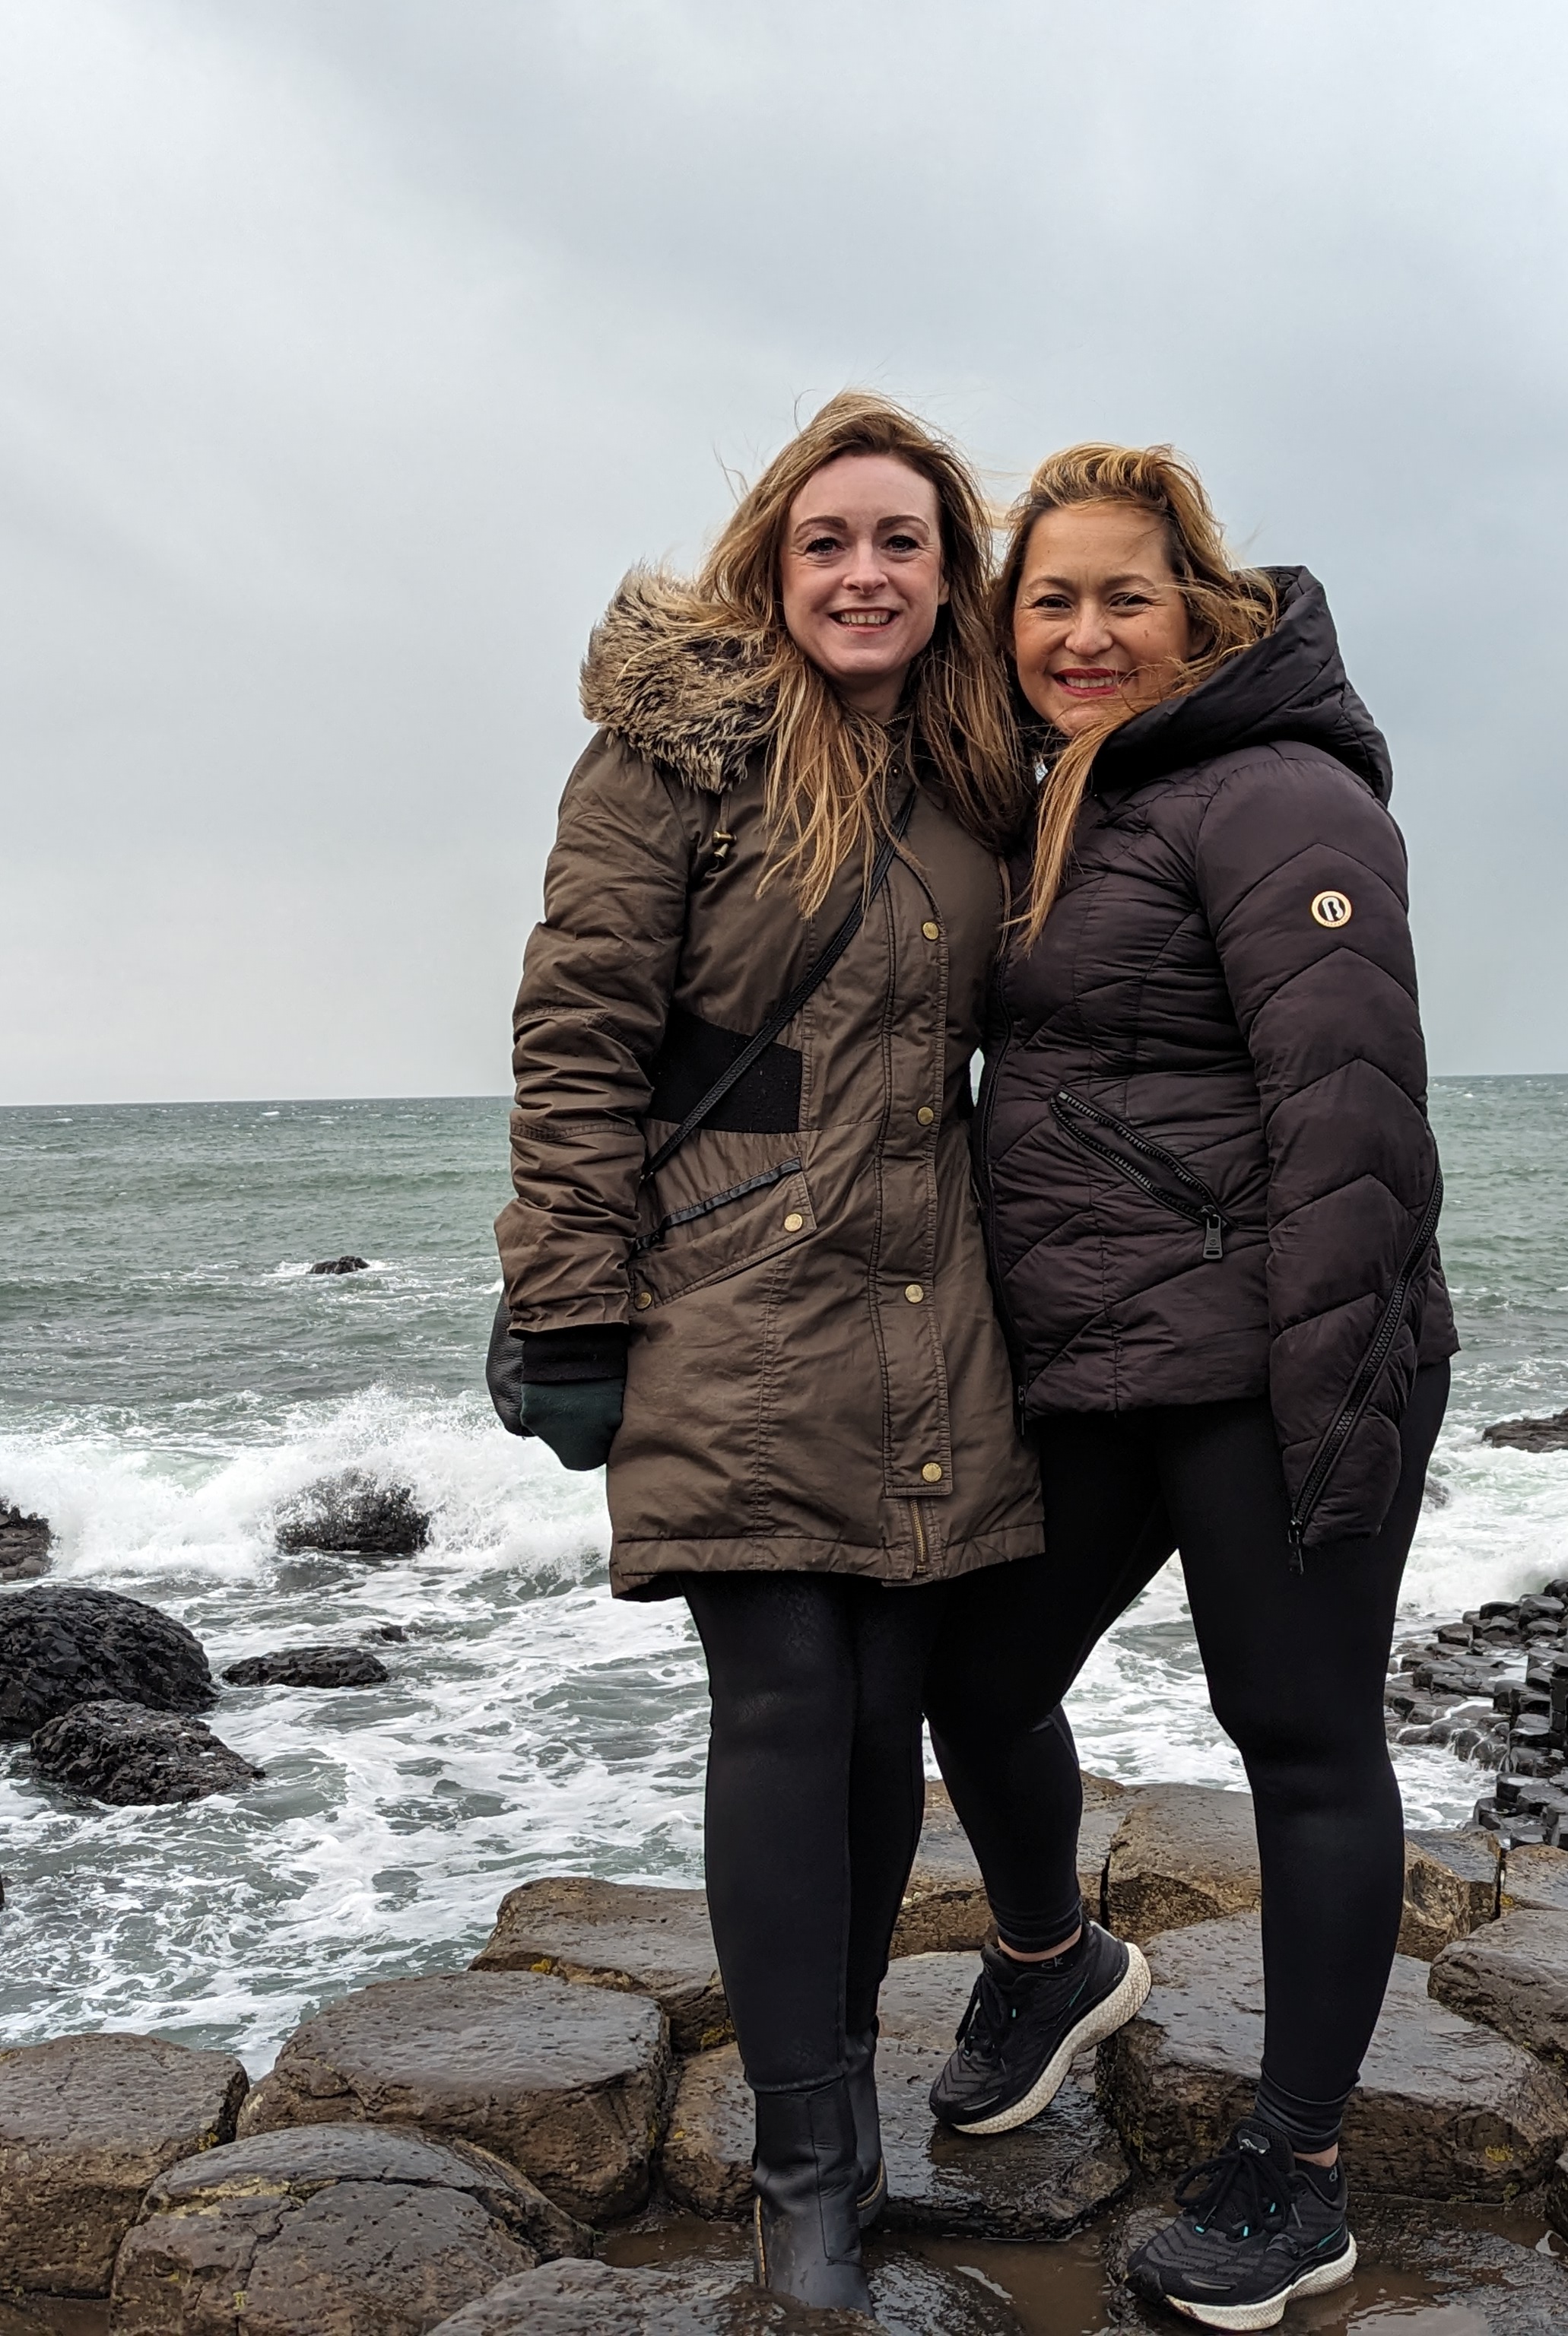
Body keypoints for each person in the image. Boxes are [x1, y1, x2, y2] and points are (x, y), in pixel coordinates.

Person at [495, 392, 1042, 2313]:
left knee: (888, 1725)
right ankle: (804, 2161)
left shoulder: (990, 769)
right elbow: (579, 1038)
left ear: (946, 573)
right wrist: (569, 1305)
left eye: (902, 543)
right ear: (773, 562)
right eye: (830, 542)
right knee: (784, 1708)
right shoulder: (677, 751)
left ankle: (858, 2104)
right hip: (730, 1283)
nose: (866, 573)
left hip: (931, 1293)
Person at [919, 444, 1456, 2331]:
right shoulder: (1058, 797)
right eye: (1048, 601)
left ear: (1198, 608)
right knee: (968, 1677)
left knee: (1301, 1739)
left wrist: (1338, 1390)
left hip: (1269, 1357)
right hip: (1094, 1363)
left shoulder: (1276, 790)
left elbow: (1354, 1115)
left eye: (1120, 596)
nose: (1081, 632)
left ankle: (1297, 2173)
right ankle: (1053, 1958)